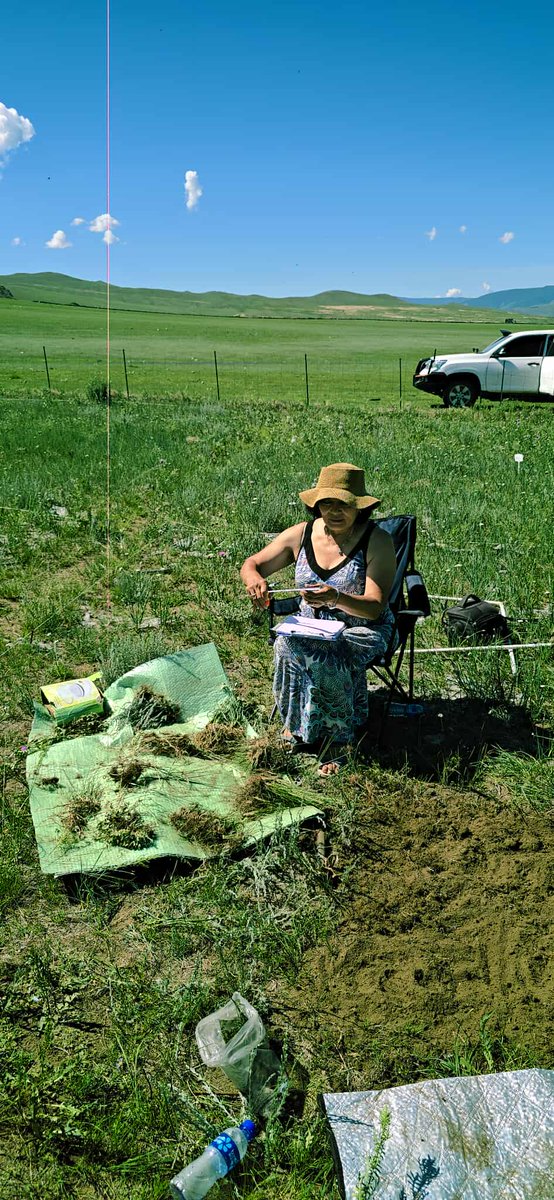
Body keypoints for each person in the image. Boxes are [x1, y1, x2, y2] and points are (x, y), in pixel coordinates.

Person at [240, 463, 397, 774]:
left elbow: (375, 607)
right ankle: (294, 726)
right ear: (316, 505)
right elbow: (253, 563)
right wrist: (253, 580)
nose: (334, 511)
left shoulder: (377, 541)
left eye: (343, 504)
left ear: (359, 507)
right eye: (327, 503)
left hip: (363, 628)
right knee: (286, 644)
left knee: (327, 652)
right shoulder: (301, 534)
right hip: (311, 625)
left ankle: (338, 739)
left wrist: (335, 598)